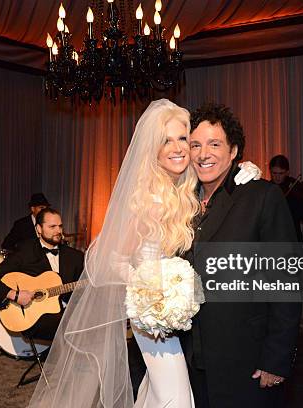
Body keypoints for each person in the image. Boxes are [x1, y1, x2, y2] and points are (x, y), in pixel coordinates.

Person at [28, 99, 202, 408]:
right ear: (154, 151)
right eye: (166, 140)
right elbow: (112, 259)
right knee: (177, 399)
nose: (177, 147)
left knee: (159, 392)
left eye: (182, 138)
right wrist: (146, 285)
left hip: (166, 313)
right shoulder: (149, 200)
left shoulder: (181, 192)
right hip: (150, 314)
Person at [184, 103, 301, 407]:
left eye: (214, 144)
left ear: (234, 150)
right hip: (189, 357)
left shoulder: (262, 196)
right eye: (195, 144)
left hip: (245, 358)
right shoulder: (182, 202)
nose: (203, 153)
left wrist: (277, 357)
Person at [0, 207, 84, 341]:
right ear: (39, 229)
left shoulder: (75, 256)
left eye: (60, 226)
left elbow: (82, 289)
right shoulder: (25, 252)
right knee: (72, 325)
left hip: (67, 313)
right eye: (52, 226)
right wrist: (15, 294)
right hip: (34, 317)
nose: (58, 231)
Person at [269, 155, 303, 242]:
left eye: (281, 173)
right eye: (274, 173)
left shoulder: (295, 190)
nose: (277, 177)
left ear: (287, 172)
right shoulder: (266, 190)